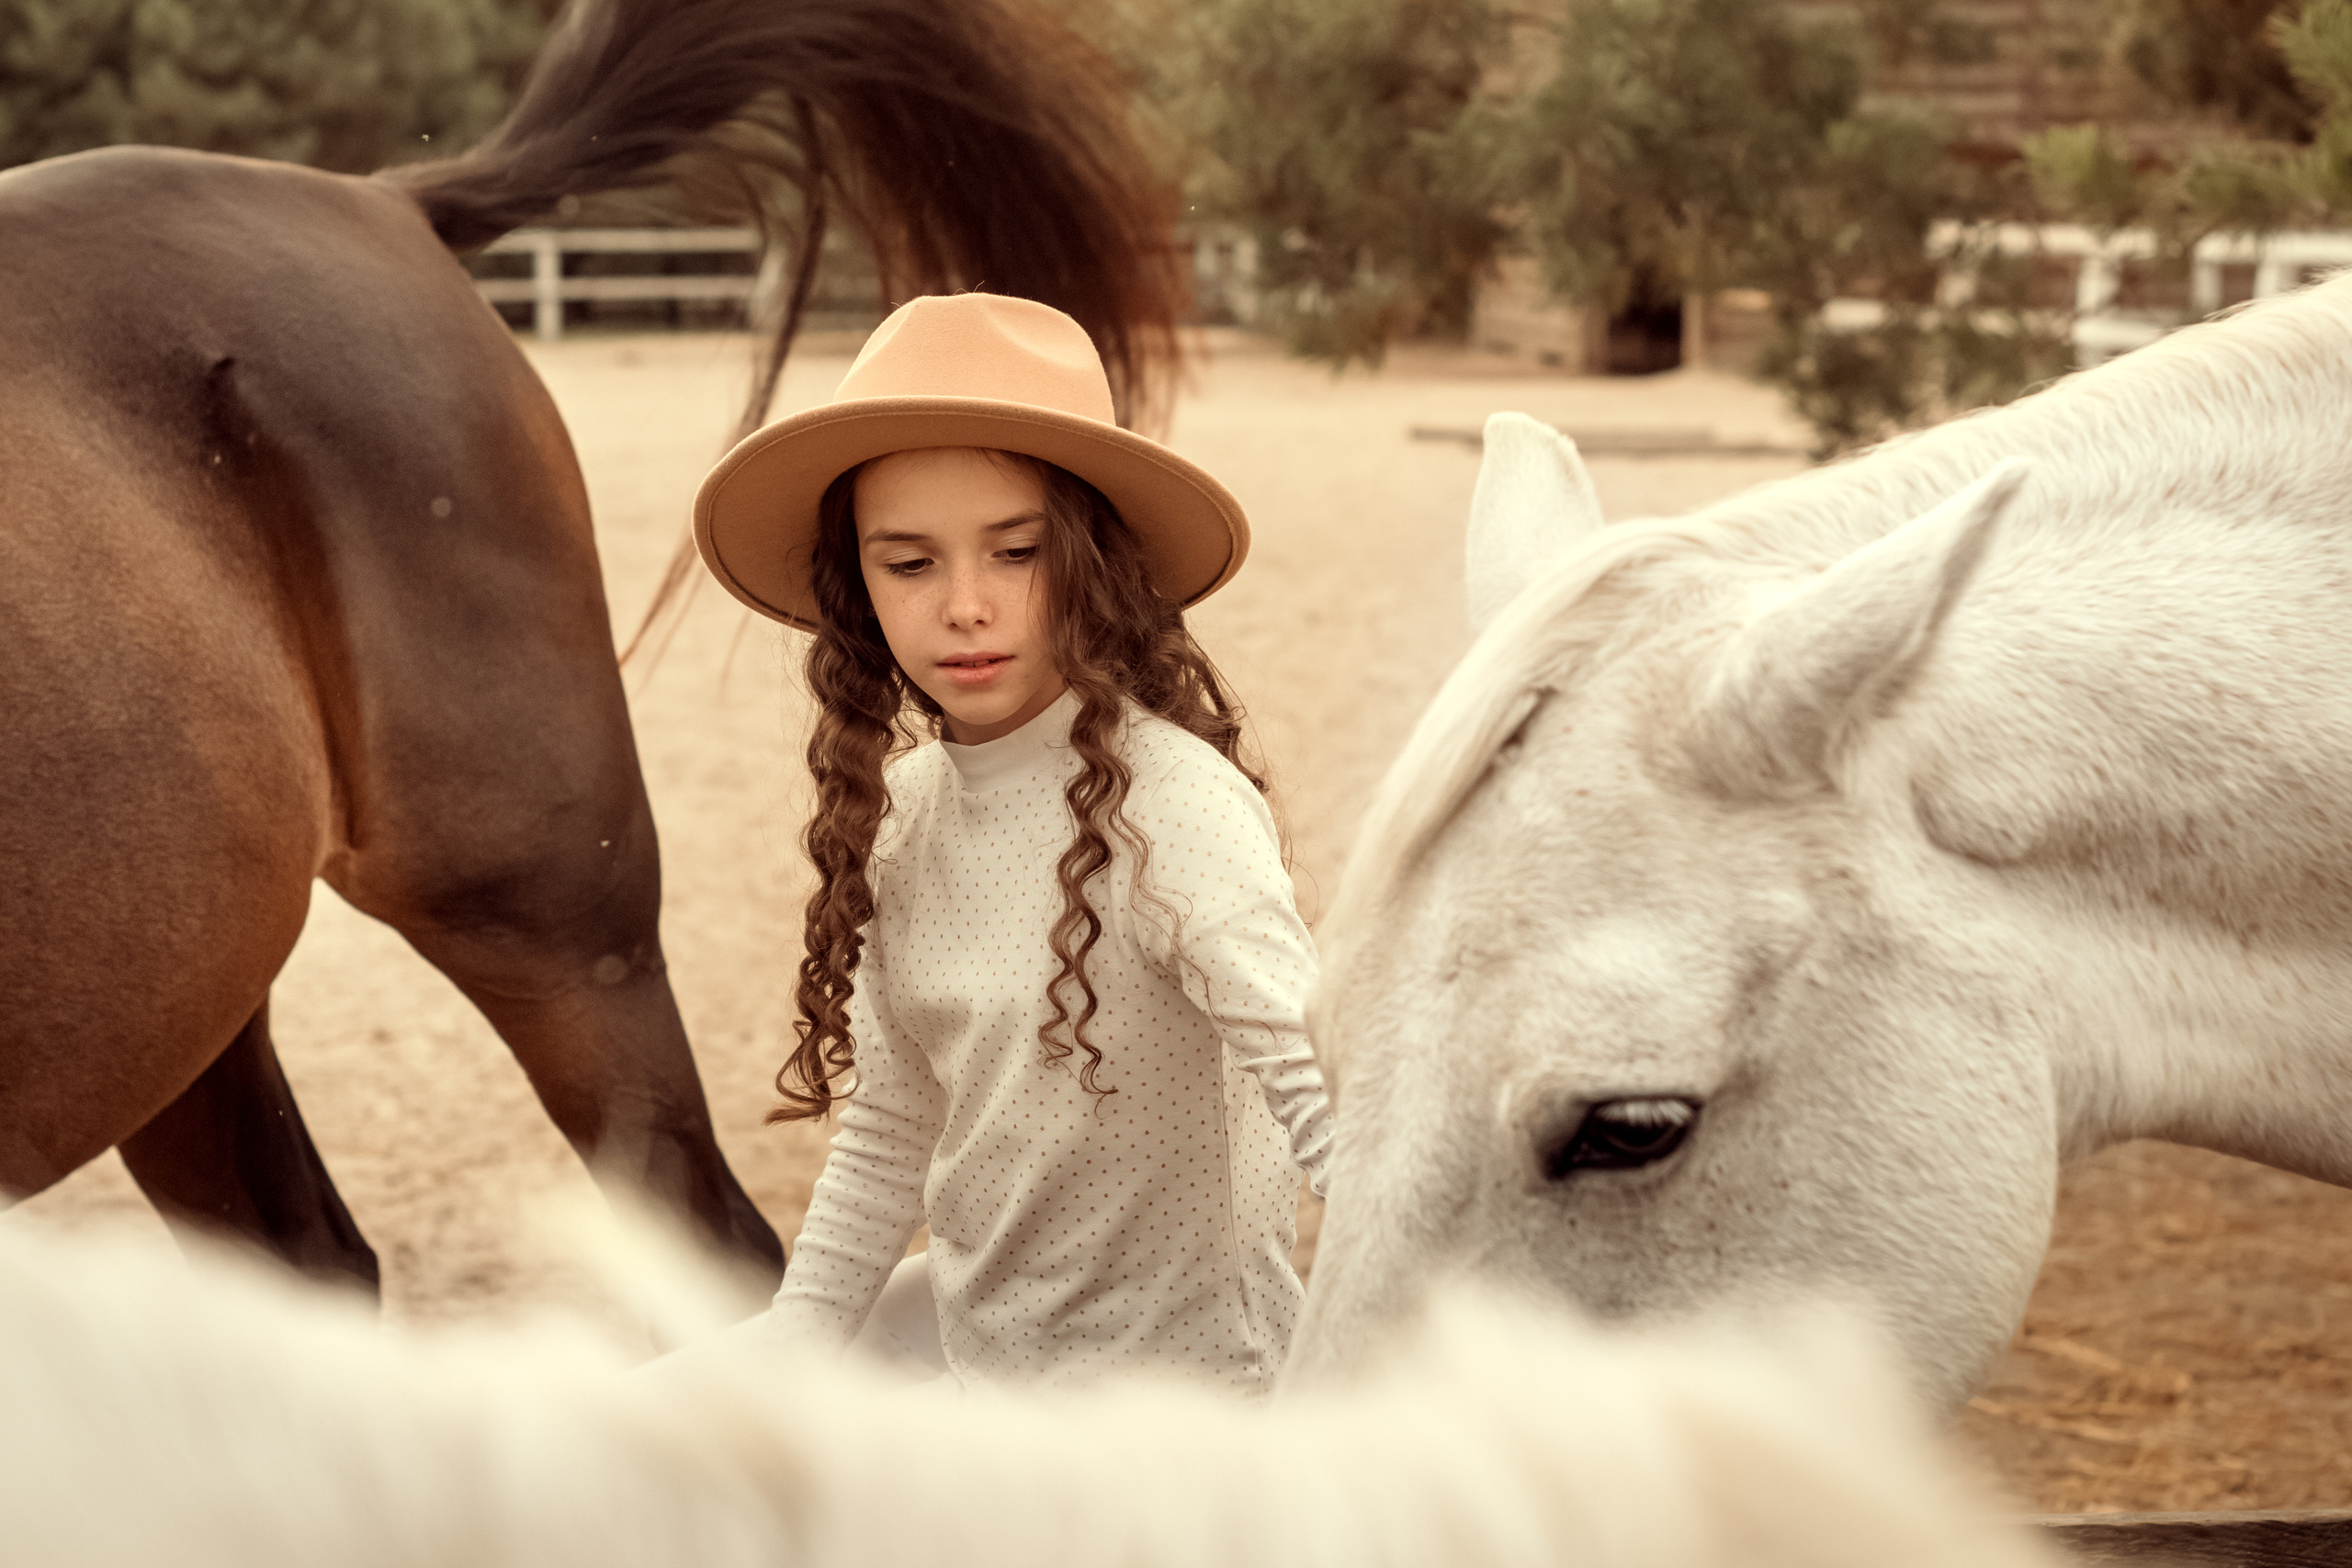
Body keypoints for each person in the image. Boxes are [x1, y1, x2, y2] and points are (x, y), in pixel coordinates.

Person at [693, 292, 1331, 1395]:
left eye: (1016, 552)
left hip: (1182, 1419)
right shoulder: (903, 813)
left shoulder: (1174, 805)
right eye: (910, 564)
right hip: (986, 1395)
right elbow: (893, 1126)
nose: (967, 607)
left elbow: (1316, 1095)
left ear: (1094, 562)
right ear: (858, 591)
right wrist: (792, 1347)